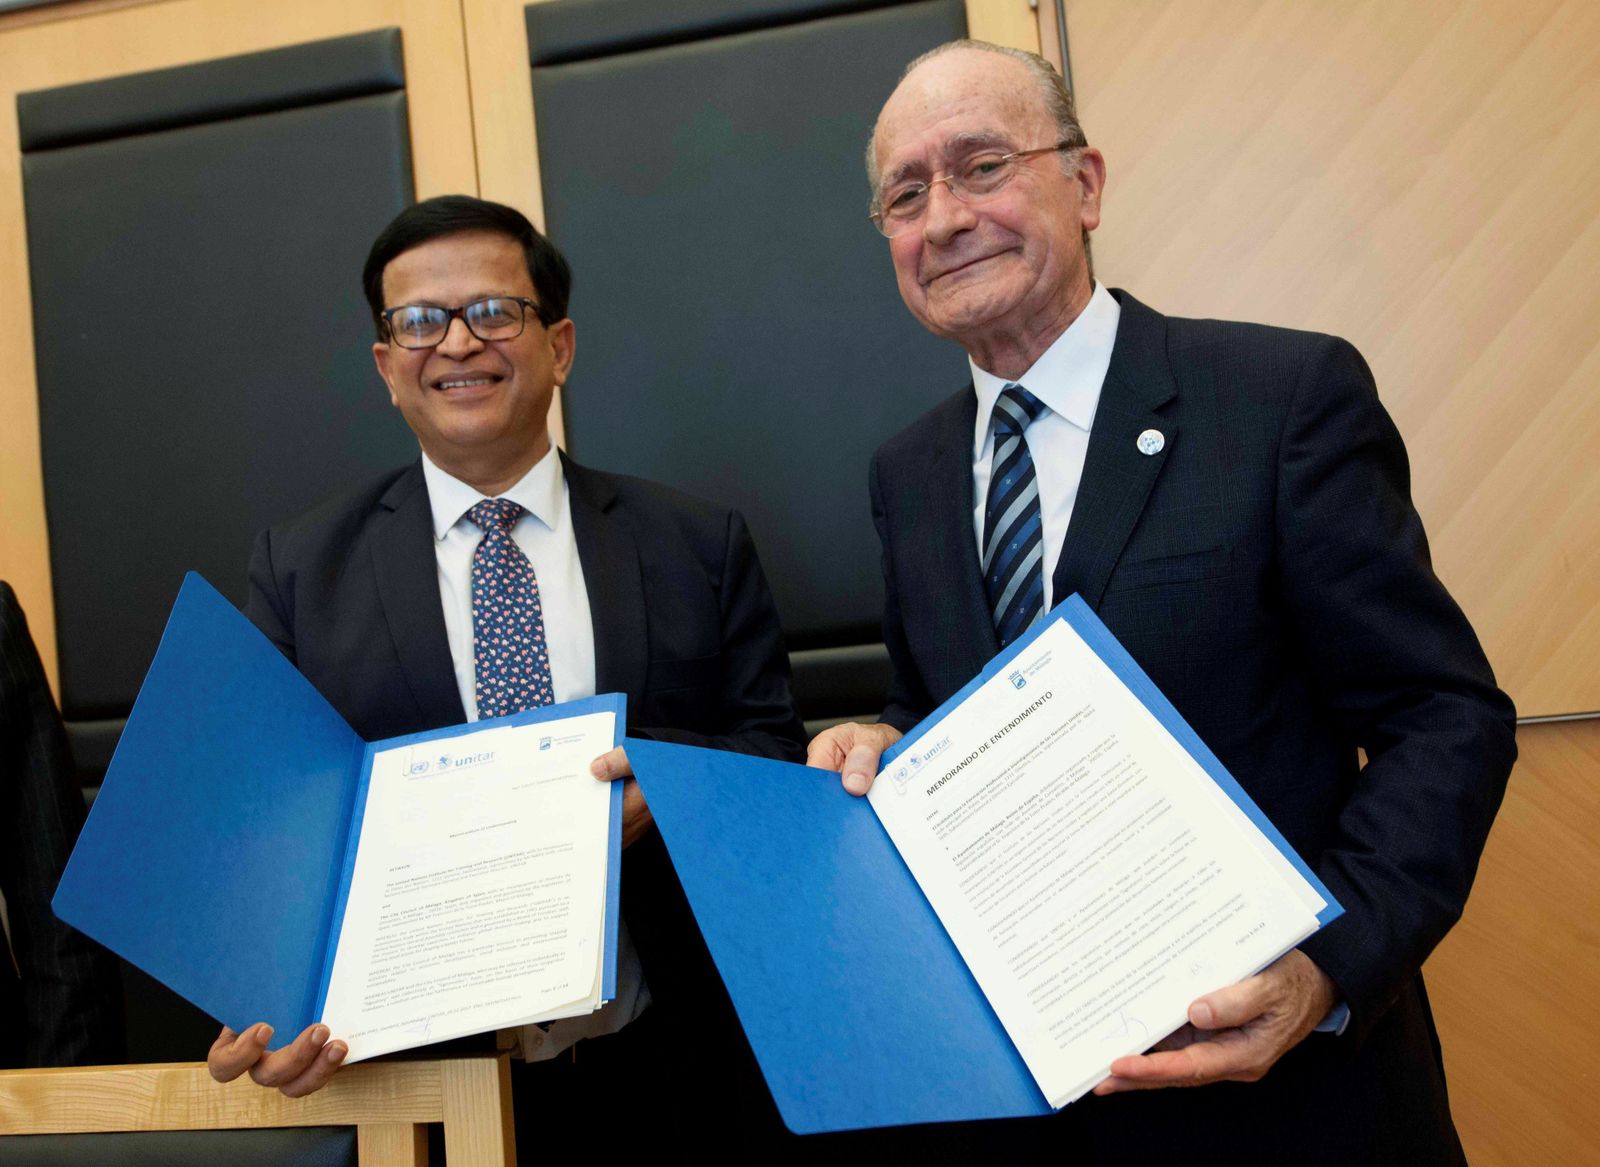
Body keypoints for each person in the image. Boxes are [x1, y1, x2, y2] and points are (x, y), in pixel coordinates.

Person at [807, 40, 1516, 1165]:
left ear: (1083, 185)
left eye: (981, 166)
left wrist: (1328, 967)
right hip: (1031, 1097)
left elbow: (1443, 715)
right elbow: (934, 700)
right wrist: (881, 738)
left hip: (1289, 1104)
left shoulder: (1279, 400)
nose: (941, 218)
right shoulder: (907, 471)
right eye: (905, 193)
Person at [206, 195, 803, 1148]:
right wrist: (263, 995)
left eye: (494, 311)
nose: (456, 343)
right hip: (418, 1087)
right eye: (418, 321)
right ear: (385, 367)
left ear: (558, 345)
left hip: (675, 1067)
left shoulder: (695, 544)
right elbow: (264, 823)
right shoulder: (299, 568)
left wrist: (675, 785)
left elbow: (774, 754)